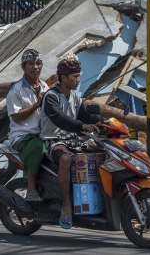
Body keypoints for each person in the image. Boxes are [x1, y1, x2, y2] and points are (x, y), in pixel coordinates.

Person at [40, 56, 103, 229]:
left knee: (101, 154)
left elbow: (85, 115)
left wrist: (102, 121)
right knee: (66, 159)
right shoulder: (51, 97)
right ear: (63, 78)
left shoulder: (75, 96)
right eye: (75, 76)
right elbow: (61, 120)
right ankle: (66, 204)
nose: (78, 79)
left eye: (78, 75)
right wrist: (83, 125)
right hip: (53, 140)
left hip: (73, 140)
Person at [6, 49, 49, 202]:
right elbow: (16, 117)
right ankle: (31, 188)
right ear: (23, 67)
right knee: (37, 146)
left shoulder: (45, 87)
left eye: (38, 63)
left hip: (42, 135)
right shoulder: (16, 90)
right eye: (30, 64)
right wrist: (36, 105)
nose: (35, 67)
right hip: (22, 136)